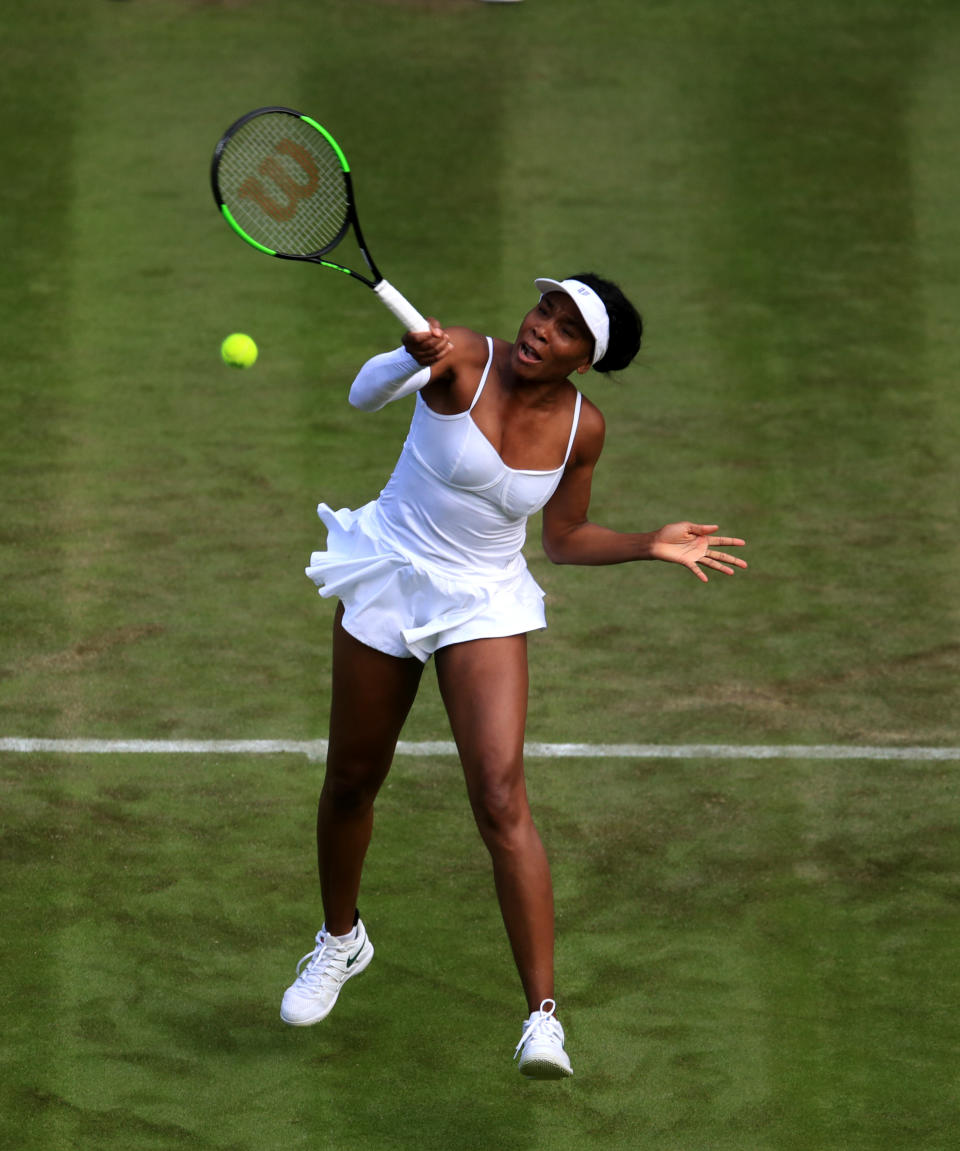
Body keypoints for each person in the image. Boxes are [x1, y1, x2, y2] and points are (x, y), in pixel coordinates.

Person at [280, 274, 747, 1078]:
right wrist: (405, 358)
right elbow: (362, 397)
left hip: (484, 599)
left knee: (501, 796)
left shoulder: (582, 429)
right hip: (392, 570)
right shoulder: (458, 354)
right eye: (544, 310)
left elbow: (561, 537)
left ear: (586, 362)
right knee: (352, 778)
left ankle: (542, 1019)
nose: (542, 329)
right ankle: (340, 940)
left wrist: (650, 541)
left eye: (567, 329)